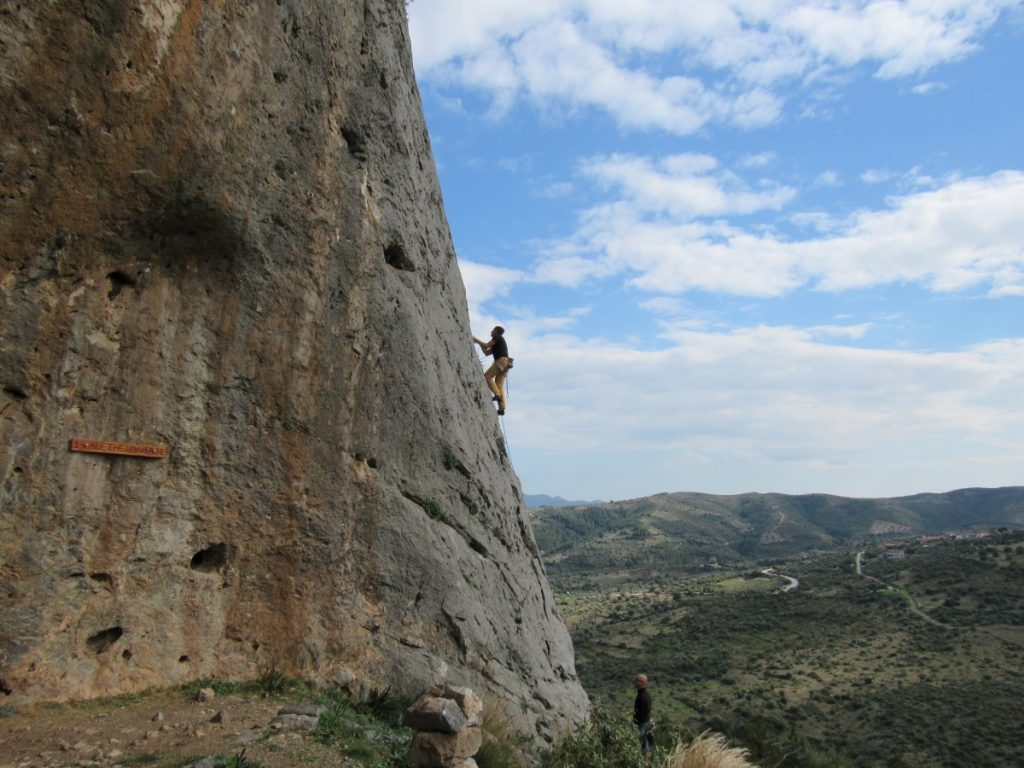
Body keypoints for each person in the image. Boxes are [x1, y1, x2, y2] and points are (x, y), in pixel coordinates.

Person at [473, 326, 510, 415]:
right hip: (506, 363)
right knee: (499, 385)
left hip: (501, 361)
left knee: (487, 376)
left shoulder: (498, 338)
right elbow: (486, 352)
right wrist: (479, 344)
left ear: (496, 331)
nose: (491, 332)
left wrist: (475, 340)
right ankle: (501, 409)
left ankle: (497, 395)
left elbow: (486, 345)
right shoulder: (498, 341)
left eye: (493, 330)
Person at [632, 673, 654, 759]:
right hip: (646, 722)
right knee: (646, 746)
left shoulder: (642, 696)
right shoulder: (646, 694)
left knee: (639, 745)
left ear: (641, 682)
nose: (634, 682)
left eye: (636, 680)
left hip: (642, 724)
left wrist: (636, 722)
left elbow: (641, 712)